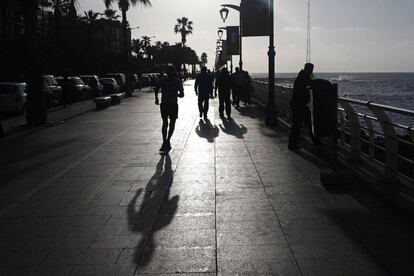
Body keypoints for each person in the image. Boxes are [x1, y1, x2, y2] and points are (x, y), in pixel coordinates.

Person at [288, 63, 320, 150]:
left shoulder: (302, 76)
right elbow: (304, 90)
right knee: (299, 125)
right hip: (299, 105)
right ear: (309, 69)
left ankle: (315, 141)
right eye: (311, 69)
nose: (312, 71)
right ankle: (292, 144)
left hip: (299, 104)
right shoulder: (304, 77)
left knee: (305, 123)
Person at [154, 65, 184, 152]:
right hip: (172, 105)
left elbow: (156, 88)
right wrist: (176, 95)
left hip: (165, 105)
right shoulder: (177, 82)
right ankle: (167, 141)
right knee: (171, 123)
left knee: (165, 123)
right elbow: (182, 94)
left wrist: (156, 98)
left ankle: (165, 141)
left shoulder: (163, 81)